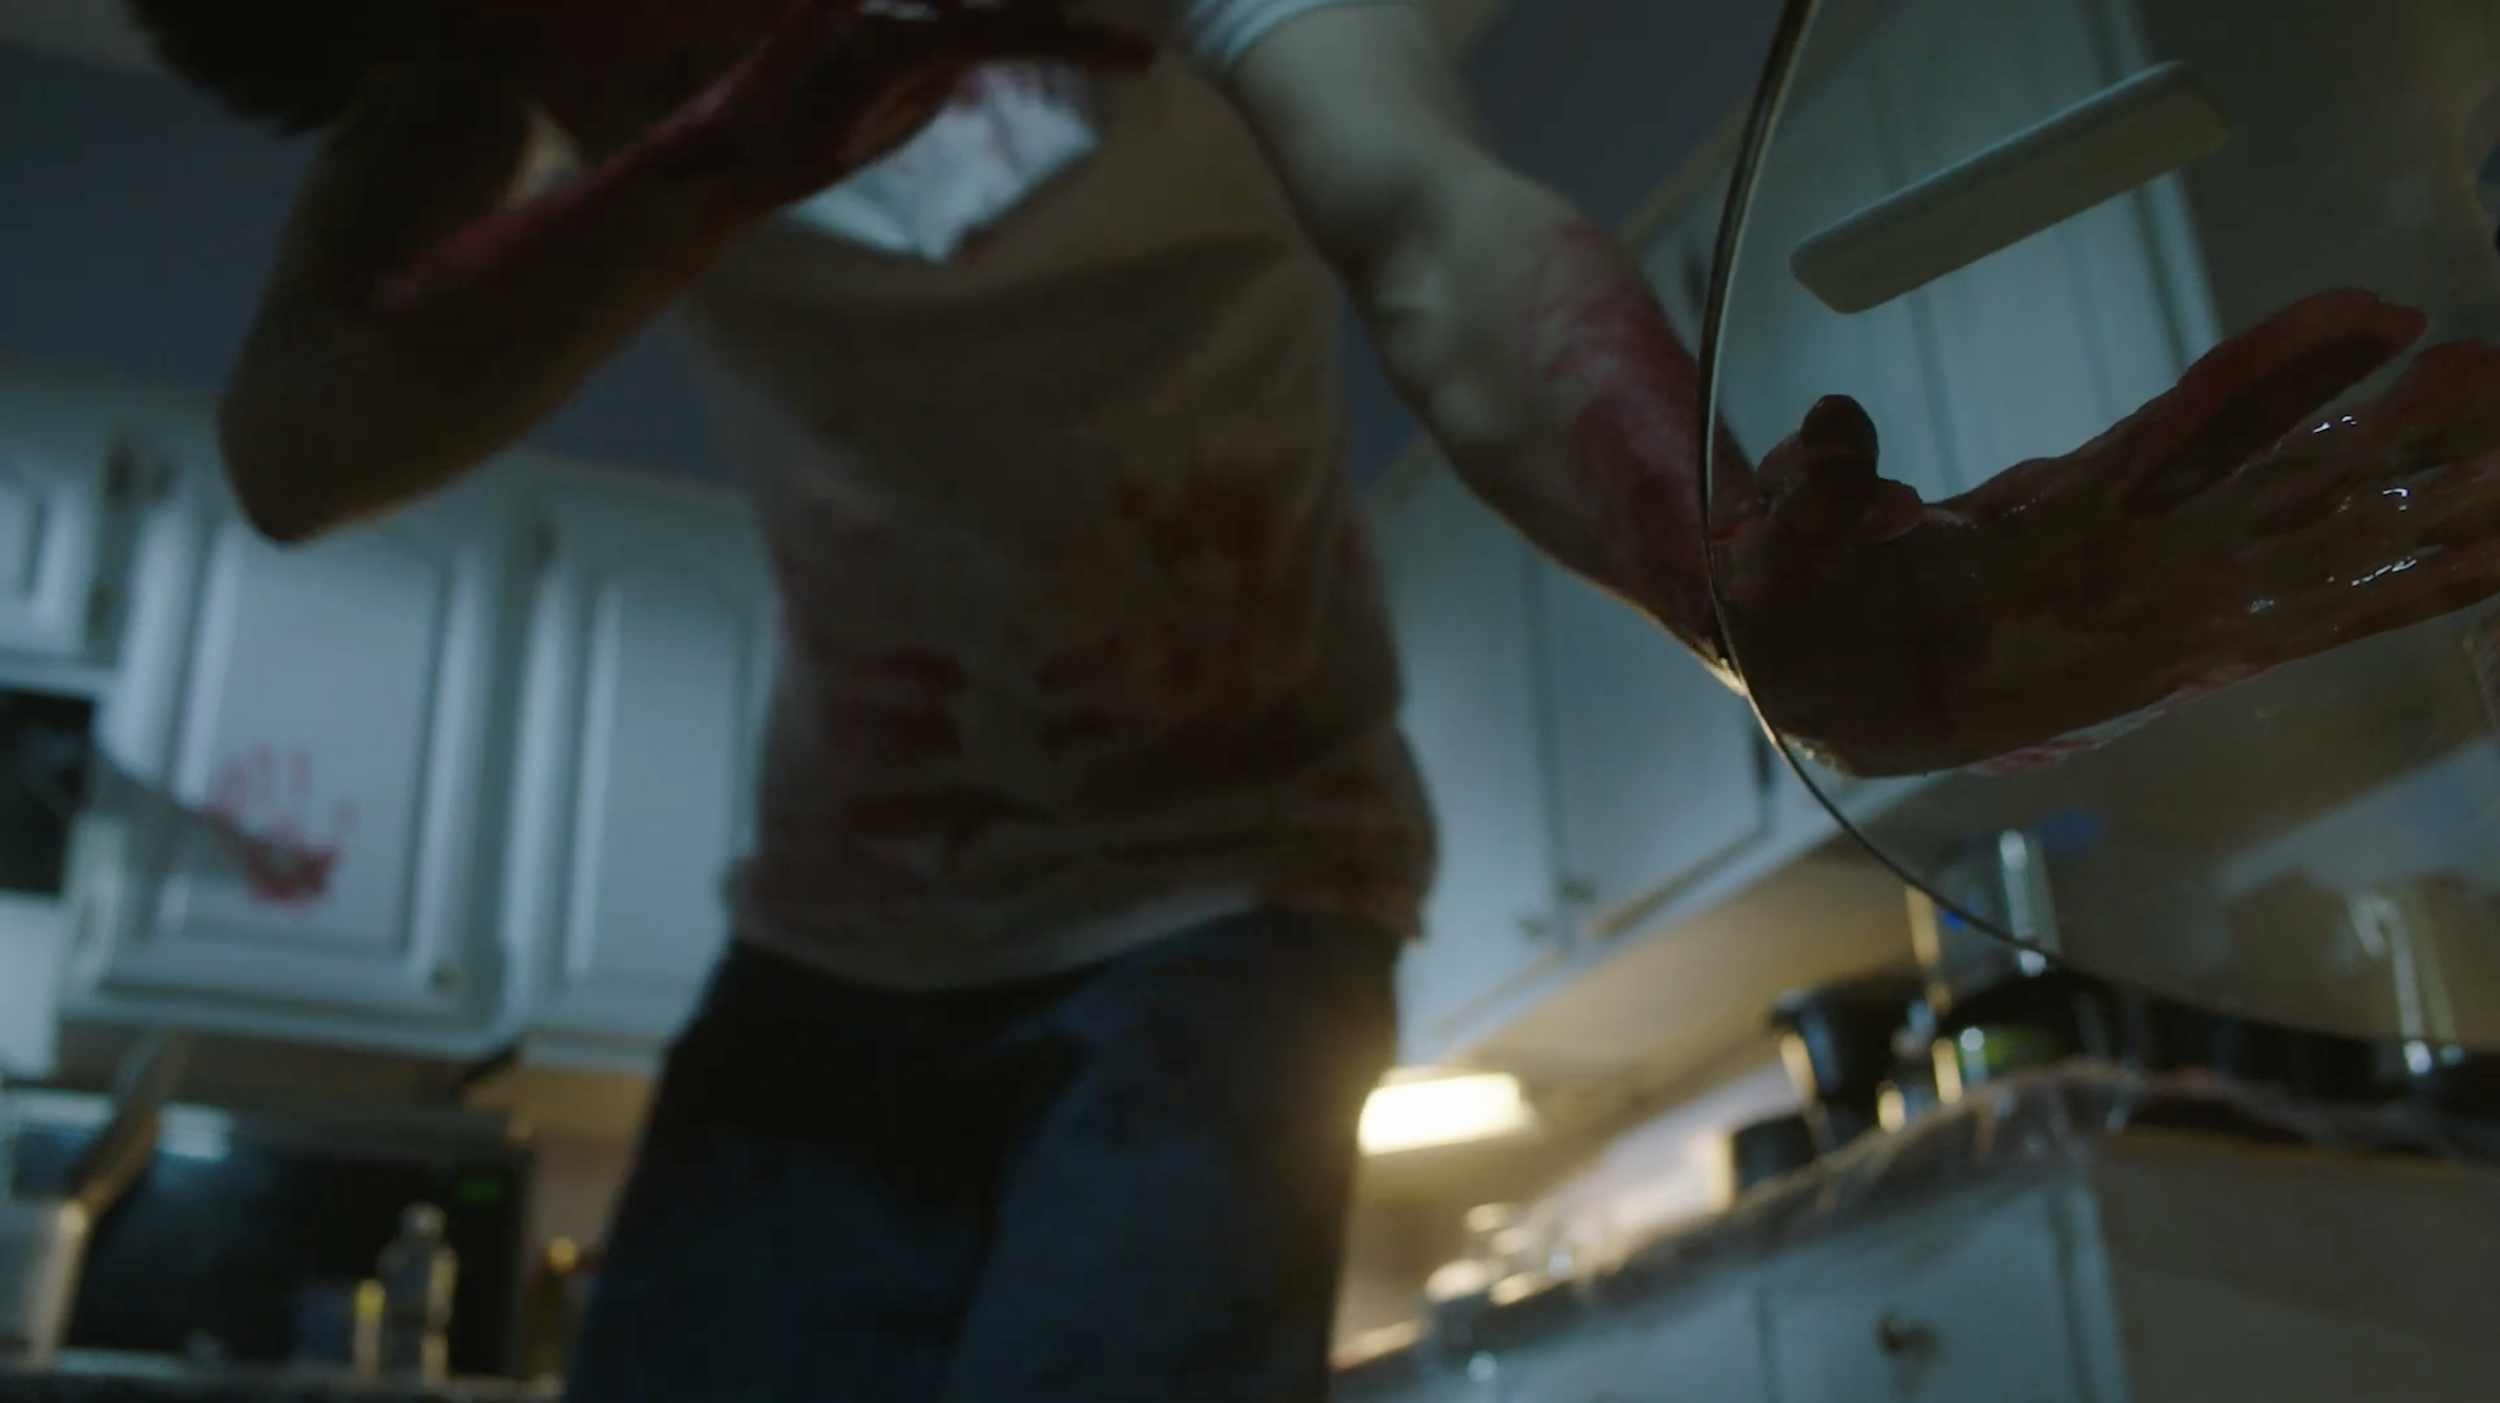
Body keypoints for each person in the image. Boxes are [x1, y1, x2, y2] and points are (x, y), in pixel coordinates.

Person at [125, 0, 2500, 1397]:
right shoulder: (522, 69)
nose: (594, 69)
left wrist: (1732, 580)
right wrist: (719, 143)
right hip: (819, 955)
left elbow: (1436, 235)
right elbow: (295, 439)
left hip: (1232, 910)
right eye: (529, 44)